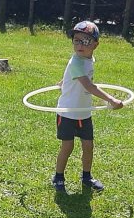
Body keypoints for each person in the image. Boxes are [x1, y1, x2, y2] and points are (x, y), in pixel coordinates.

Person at [51, 21, 123, 194]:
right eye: (76, 40)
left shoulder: (88, 59)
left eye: (85, 41)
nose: (80, 45)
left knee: (88, 146)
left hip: (84, 113)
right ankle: (58, 177)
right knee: (67, 146)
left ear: (95, 45)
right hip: (67, 112)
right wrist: (111, 99)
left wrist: (63, 81)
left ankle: (87, 177)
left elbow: (81, 78)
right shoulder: (76, 62)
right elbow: (89, 86)